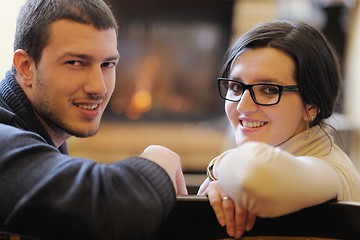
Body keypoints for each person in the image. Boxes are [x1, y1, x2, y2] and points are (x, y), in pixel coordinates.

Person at [0, 0, 188, 239]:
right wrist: (160, 159)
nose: (99, 87)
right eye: (76, 63)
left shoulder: (47, 130)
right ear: (26, 67)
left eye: (108, 64)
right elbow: (110, 208)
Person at [198, 20, 360, 239]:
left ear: (311, 105)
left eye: (268, 89)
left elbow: (253, 175)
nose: (243, 106)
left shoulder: (330, 171)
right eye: (236, 87)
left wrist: (217, 168)